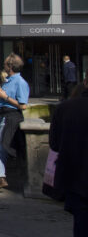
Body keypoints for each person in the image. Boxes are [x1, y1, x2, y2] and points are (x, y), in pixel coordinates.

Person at [0, 53, 29, 193]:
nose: (3, 66)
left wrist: (5, 96)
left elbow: (23, 105)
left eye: (6, 64)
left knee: (1, 146)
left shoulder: (20, 82)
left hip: (10, 117)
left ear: (10, 66)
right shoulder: (8, 81)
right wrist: (0, 93)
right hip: (1, 116)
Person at [49, 75, 88, 236]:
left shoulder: (65, 108)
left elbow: (54, 144)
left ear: (85, 83)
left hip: (76, 181)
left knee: (81, 226)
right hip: (77, 180)